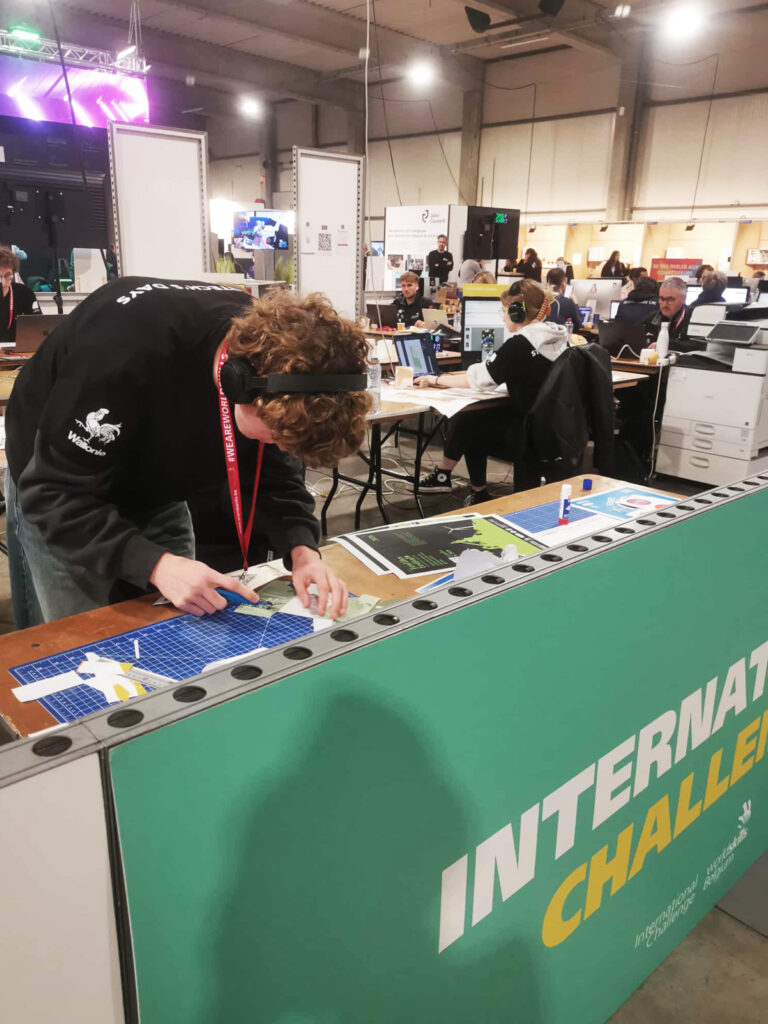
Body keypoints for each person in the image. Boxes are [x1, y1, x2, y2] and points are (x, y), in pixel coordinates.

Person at [5, 281, 370, 629]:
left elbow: (274, 476)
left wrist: (303, 550)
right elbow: (52, 494)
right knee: (84, 639)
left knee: (178, 622)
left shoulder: (281, 376)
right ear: (236, 382)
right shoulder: (123, 349)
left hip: (157, 483)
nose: (280, 448)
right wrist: (158, 565)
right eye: (277, 437)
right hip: (61, 489)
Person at [414, 280, 569, 505]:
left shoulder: (519, 344)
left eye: (504, 311)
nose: (503, 317)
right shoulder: (559, 339)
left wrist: (435, 379)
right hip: (556, 432)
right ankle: (459, 482)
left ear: (516, 313)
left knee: (470, 419)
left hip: (528, 437)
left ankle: (473, 489)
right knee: (476, 417)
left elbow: (477, 379)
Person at [0, 246, 41, 346]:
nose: (3, 281)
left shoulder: (25, 292)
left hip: (17, 349)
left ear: (13, 273)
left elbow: (39, 324)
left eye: (7, 275)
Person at [649, 277, 696, 352]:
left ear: (684, 299)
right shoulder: (651, 319)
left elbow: (696, 345)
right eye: (661, 299)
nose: (664, 304)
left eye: (670, 299)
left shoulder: (694, 318)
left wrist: (667, 344)